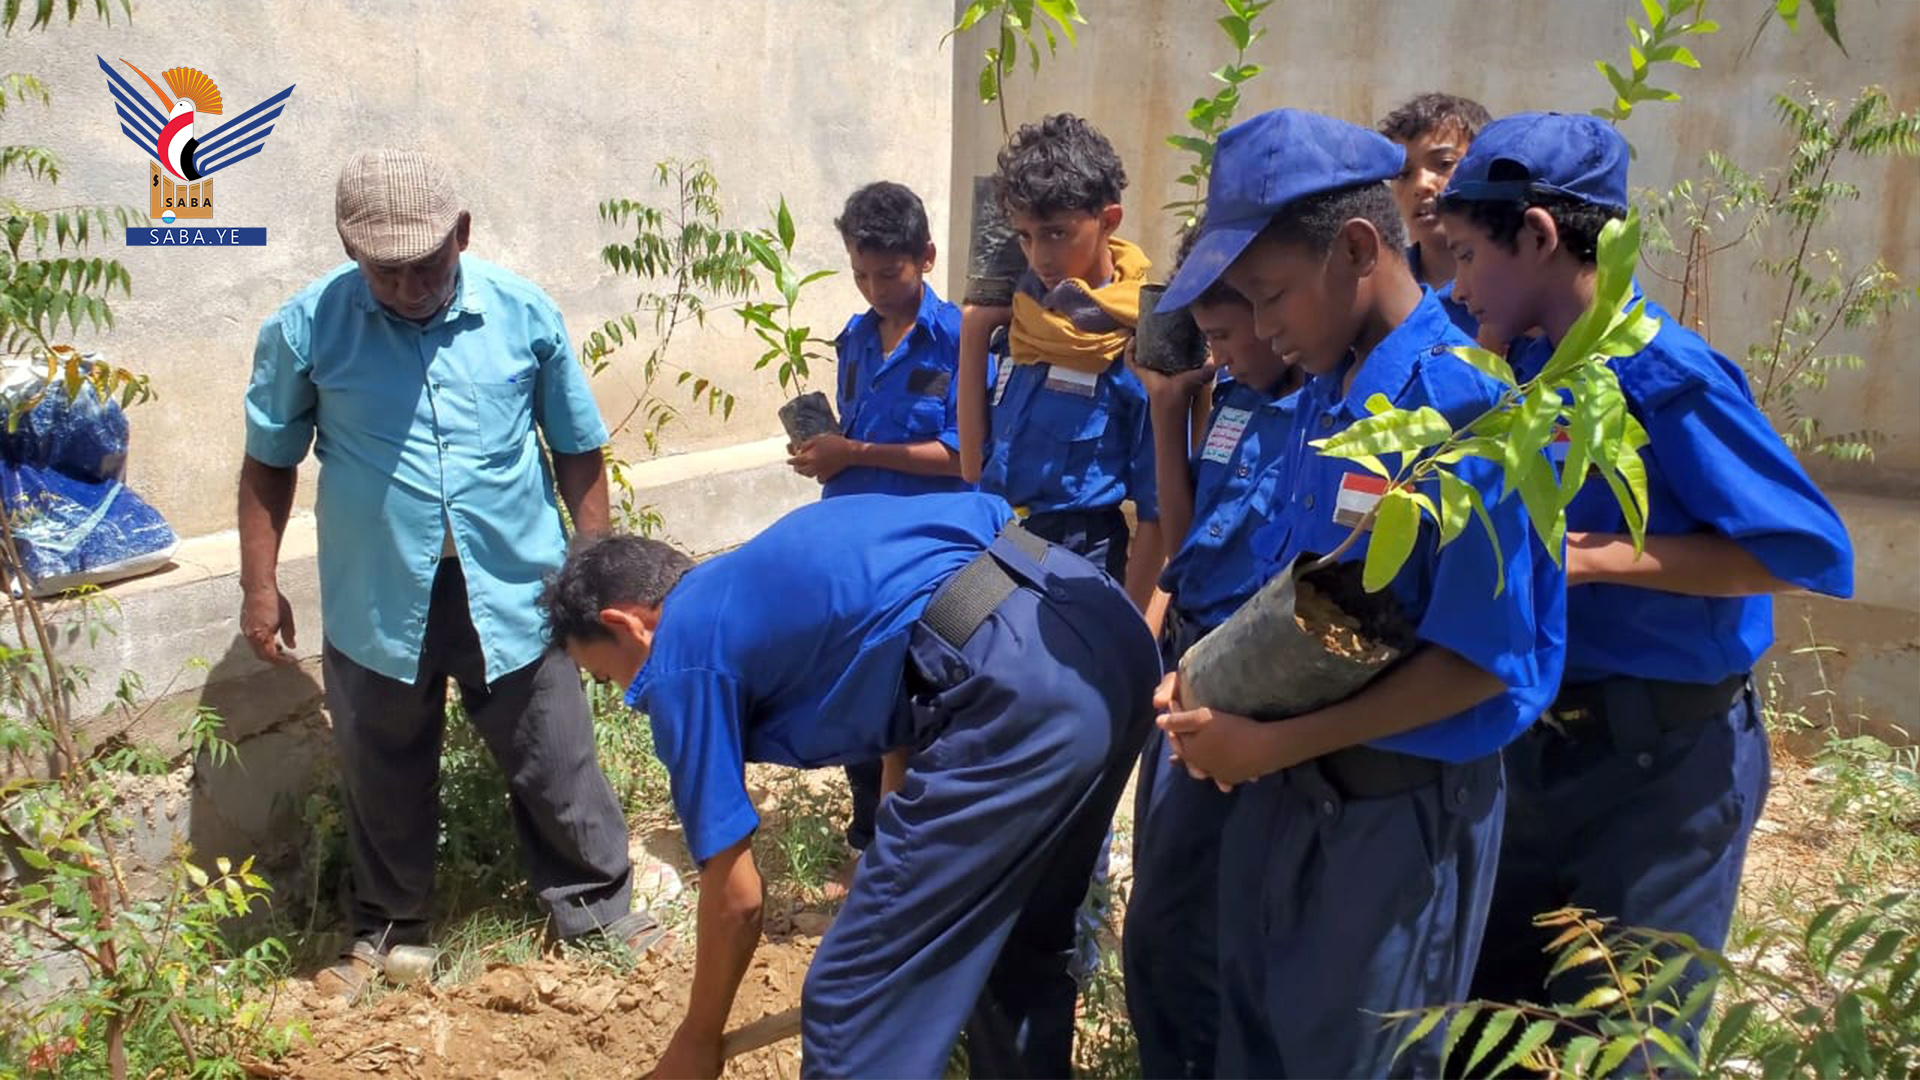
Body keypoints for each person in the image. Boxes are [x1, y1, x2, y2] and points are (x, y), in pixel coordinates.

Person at [1153, 109, 1566, 1077]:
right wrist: (1218, 690)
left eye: (1271, 298)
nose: (1259, 332)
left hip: (1396, 820)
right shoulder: (1325, 393)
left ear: (1353, 249)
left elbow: (1477, 665)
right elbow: (1308, 602)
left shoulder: (1463, 407)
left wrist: (1269, 742)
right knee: (1252, 1041)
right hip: (1291, 798)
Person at [1438, 111, 1855, 1049]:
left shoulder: (1664, 372)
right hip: (1534, 750)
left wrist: (1591, 559)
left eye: (1467, 257)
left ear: (1539, 236)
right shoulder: (1532, 366)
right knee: (1496, 1030)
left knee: (1623, 1041)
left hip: (1657, 771)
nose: (1457, 289)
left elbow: (1803, 546)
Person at [541, 492, 1158, 1079]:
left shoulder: (682, 653)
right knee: (1014, 945)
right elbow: (916, 653)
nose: (625, 694)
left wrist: (697, 1040)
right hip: (1103, 636)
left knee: (851, 1001)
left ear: (627, 624)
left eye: (605, 673)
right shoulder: (762, 578)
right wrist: (897, 837)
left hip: (1018, 690)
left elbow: (737, 898)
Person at [238, 149, 661, 997]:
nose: (405, 288)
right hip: (376, 588)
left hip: (515, 582)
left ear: (461, 234)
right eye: (383, 272)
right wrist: (259, 582)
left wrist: (597, 571)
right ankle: (390, 930)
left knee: (553, 748)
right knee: (383, 760)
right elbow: (268, 459)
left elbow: (575, 448)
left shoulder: (521, 314)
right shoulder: (306, 327)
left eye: (425, 266)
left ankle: (600, 909)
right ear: (350, 250)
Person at [1122, 220, 1305, 1080]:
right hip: (1190, 666)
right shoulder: (1228, 398)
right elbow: (1188, 542)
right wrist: (1169, 412)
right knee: (1160, 924)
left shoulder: (1326, 414)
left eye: (1229, 334)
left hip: (1247, 688)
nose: (1222, 353)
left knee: (1199, 930)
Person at [786, 180, 970, 876]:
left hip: (924, 551)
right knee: (857, 689)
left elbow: (963, 456)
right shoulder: (858, 339)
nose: (873, 289)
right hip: (854, 546)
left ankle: (918, 849)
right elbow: (854, 430)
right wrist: (824, 454)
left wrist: (855, 453)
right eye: (860, 274)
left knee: (920, 697)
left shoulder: (958, 340)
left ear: (924, 257)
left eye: (888, 274)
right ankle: (869, 831)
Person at [971, 113, 1163, 609]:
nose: (1039, 256)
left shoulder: (1138, 340)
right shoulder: (1022, 318)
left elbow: (1157, 516)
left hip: (1076, 566)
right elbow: (973, 469)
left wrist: (1134, 636)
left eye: (1056, 234)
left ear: (1109, 221)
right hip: (995, 542)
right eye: (1026, 236)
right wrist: (973, 337)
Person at [1378, 91, 1493, 340]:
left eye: (1444, 164)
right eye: (1403, 174)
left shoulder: (1509, 291)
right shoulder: (1379, 290)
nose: (1422, 185)